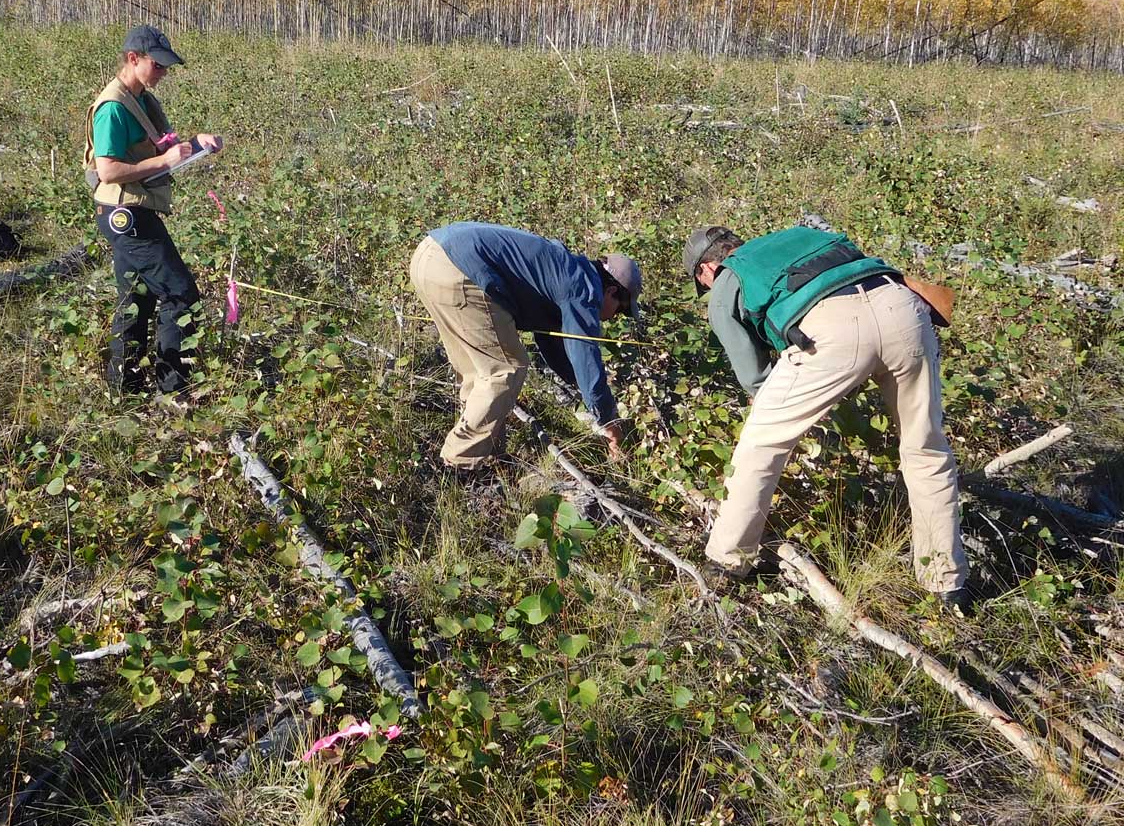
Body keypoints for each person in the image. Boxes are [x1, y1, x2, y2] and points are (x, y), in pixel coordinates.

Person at [682, 224, 969, 609]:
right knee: (926, 449)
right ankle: (946, 584)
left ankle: (726, 563)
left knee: (761, 444)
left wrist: (799, 405)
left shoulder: (726, 279)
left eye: (702, 283)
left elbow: (755, 379)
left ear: (706, 269)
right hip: (904, 308)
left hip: (832, 328)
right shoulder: (794, 237)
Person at [410, 222, 642, 472]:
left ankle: (489, 456)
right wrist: (609, 422)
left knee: (478, 372)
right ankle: (458, 466)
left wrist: (583, 389)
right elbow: (584, 355)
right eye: (619, 310)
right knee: (506, 370)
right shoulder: (584, 289)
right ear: (611, 291)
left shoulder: (565, 270)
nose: (613, 318)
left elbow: (555, 347)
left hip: (431, 255)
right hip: (462, 268)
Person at [84, 25, 222, 398]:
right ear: (133, 59)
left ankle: (123, 391)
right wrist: (165, 160)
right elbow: (109, 170)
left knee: (136, 299)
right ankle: (174, 391)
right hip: (125, 214)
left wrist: (196, 144)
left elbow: (157, 154)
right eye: (157, 65)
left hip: (134, 210)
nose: (163, 72)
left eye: (166, 66)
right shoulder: (113, 108)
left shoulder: (141, 99)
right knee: (181, 295)